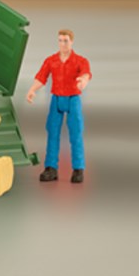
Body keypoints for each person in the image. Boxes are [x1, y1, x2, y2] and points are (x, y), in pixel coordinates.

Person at [25, 28, 92, 183]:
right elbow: (42, 77)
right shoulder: (51, 60)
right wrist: (32, 90)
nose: (63, 43)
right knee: (52, 132)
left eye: (66, 40)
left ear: (72, 41)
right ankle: (51, 167)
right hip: (56, 99)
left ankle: (78, 168)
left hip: (73, 98)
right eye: (60, 40)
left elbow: (86, 73)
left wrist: (83, 81)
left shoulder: (80, 60)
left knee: (75, 133)